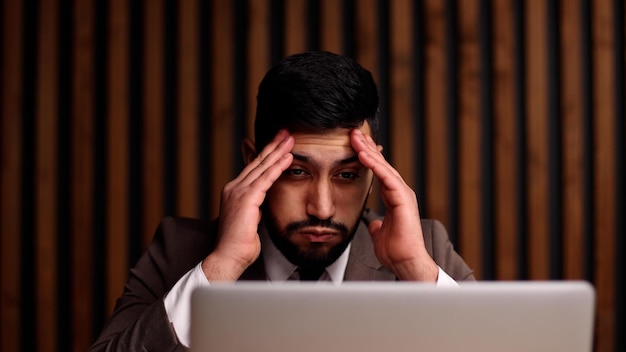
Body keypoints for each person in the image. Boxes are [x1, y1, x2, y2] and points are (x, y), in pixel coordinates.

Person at [90, 51, 474, 351]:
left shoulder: (427, 249)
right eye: (297, 172)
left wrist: (417, 272)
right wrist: (221, 268)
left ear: (374, 172)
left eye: (347, 175)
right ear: (252, 162)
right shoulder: (181, 250)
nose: (322, 208)